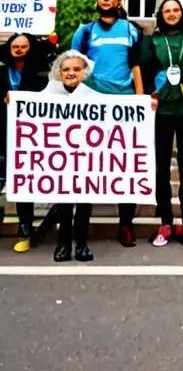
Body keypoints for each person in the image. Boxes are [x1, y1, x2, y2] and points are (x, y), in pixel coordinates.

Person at [71, 0, 143, 247]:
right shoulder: (85, 32)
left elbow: (138, 65)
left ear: (120, 1)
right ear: (97, 2)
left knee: (126, 163)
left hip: (124, 104)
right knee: (89, 163)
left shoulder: (131, 30)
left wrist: (142, 97)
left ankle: (126, 224)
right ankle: (82, 224)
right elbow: (72, 66)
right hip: (91, 103)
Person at [141, 0, 183, 248]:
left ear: (182, 13)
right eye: (167, 10)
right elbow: (143, 71)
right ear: (161, 15)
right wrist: (149, 93)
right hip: (161, 112)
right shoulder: (151, 41)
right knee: (161, 168)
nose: (171, 14)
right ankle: (165, 222)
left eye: (175, 10)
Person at [43, 51, 99, 263]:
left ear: (85, 72)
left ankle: (82, 244)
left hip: (86, 158)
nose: (71, 73)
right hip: (61, 158)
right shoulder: (48, 95)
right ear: (59, 73)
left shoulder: (96, 96)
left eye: (76, 69)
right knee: (65, 204)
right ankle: (64, 245)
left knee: (85, 203)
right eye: (66, 69)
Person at [1, 34, 49, 251]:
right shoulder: (2, 69)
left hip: (29, 134)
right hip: (3, 131)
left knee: (24, 181)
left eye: (23, 46)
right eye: (15, 46)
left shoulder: (41, 71)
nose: (19, 49)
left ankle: (26, 225)